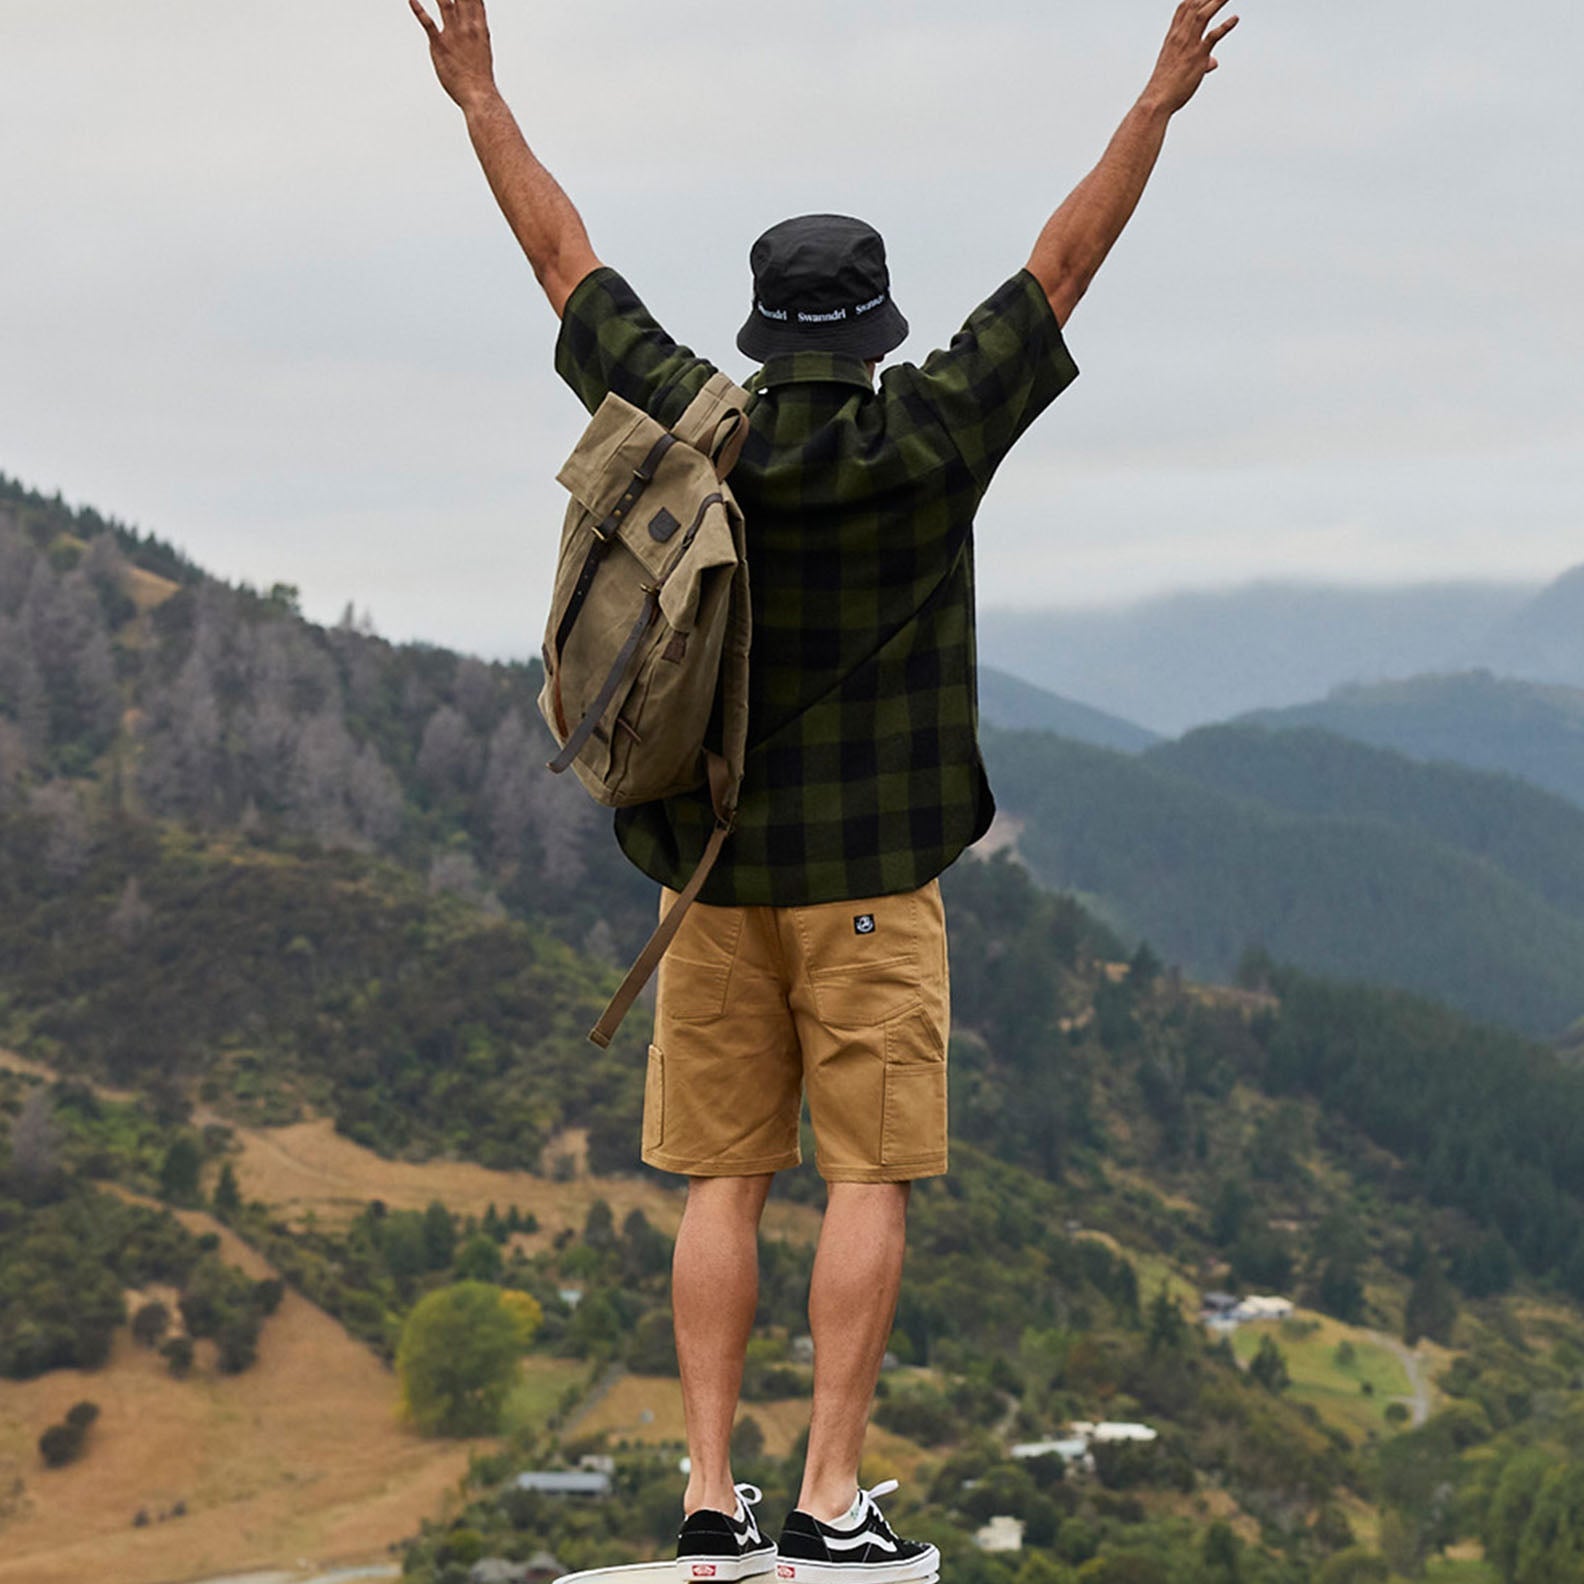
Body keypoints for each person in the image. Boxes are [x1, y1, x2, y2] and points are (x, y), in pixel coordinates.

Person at [408, 2, 1238, 1578]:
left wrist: (481, 97)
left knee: (727, 1181)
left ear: (759, 327)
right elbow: (1061, 272)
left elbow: (562, 263)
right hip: (872, 893)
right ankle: (829, 1500)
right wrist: (1155, 101)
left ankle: (709, 1503)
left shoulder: (688, 424)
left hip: (707, 882)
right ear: (870, 332)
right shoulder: (928, 436)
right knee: (870, 1178)